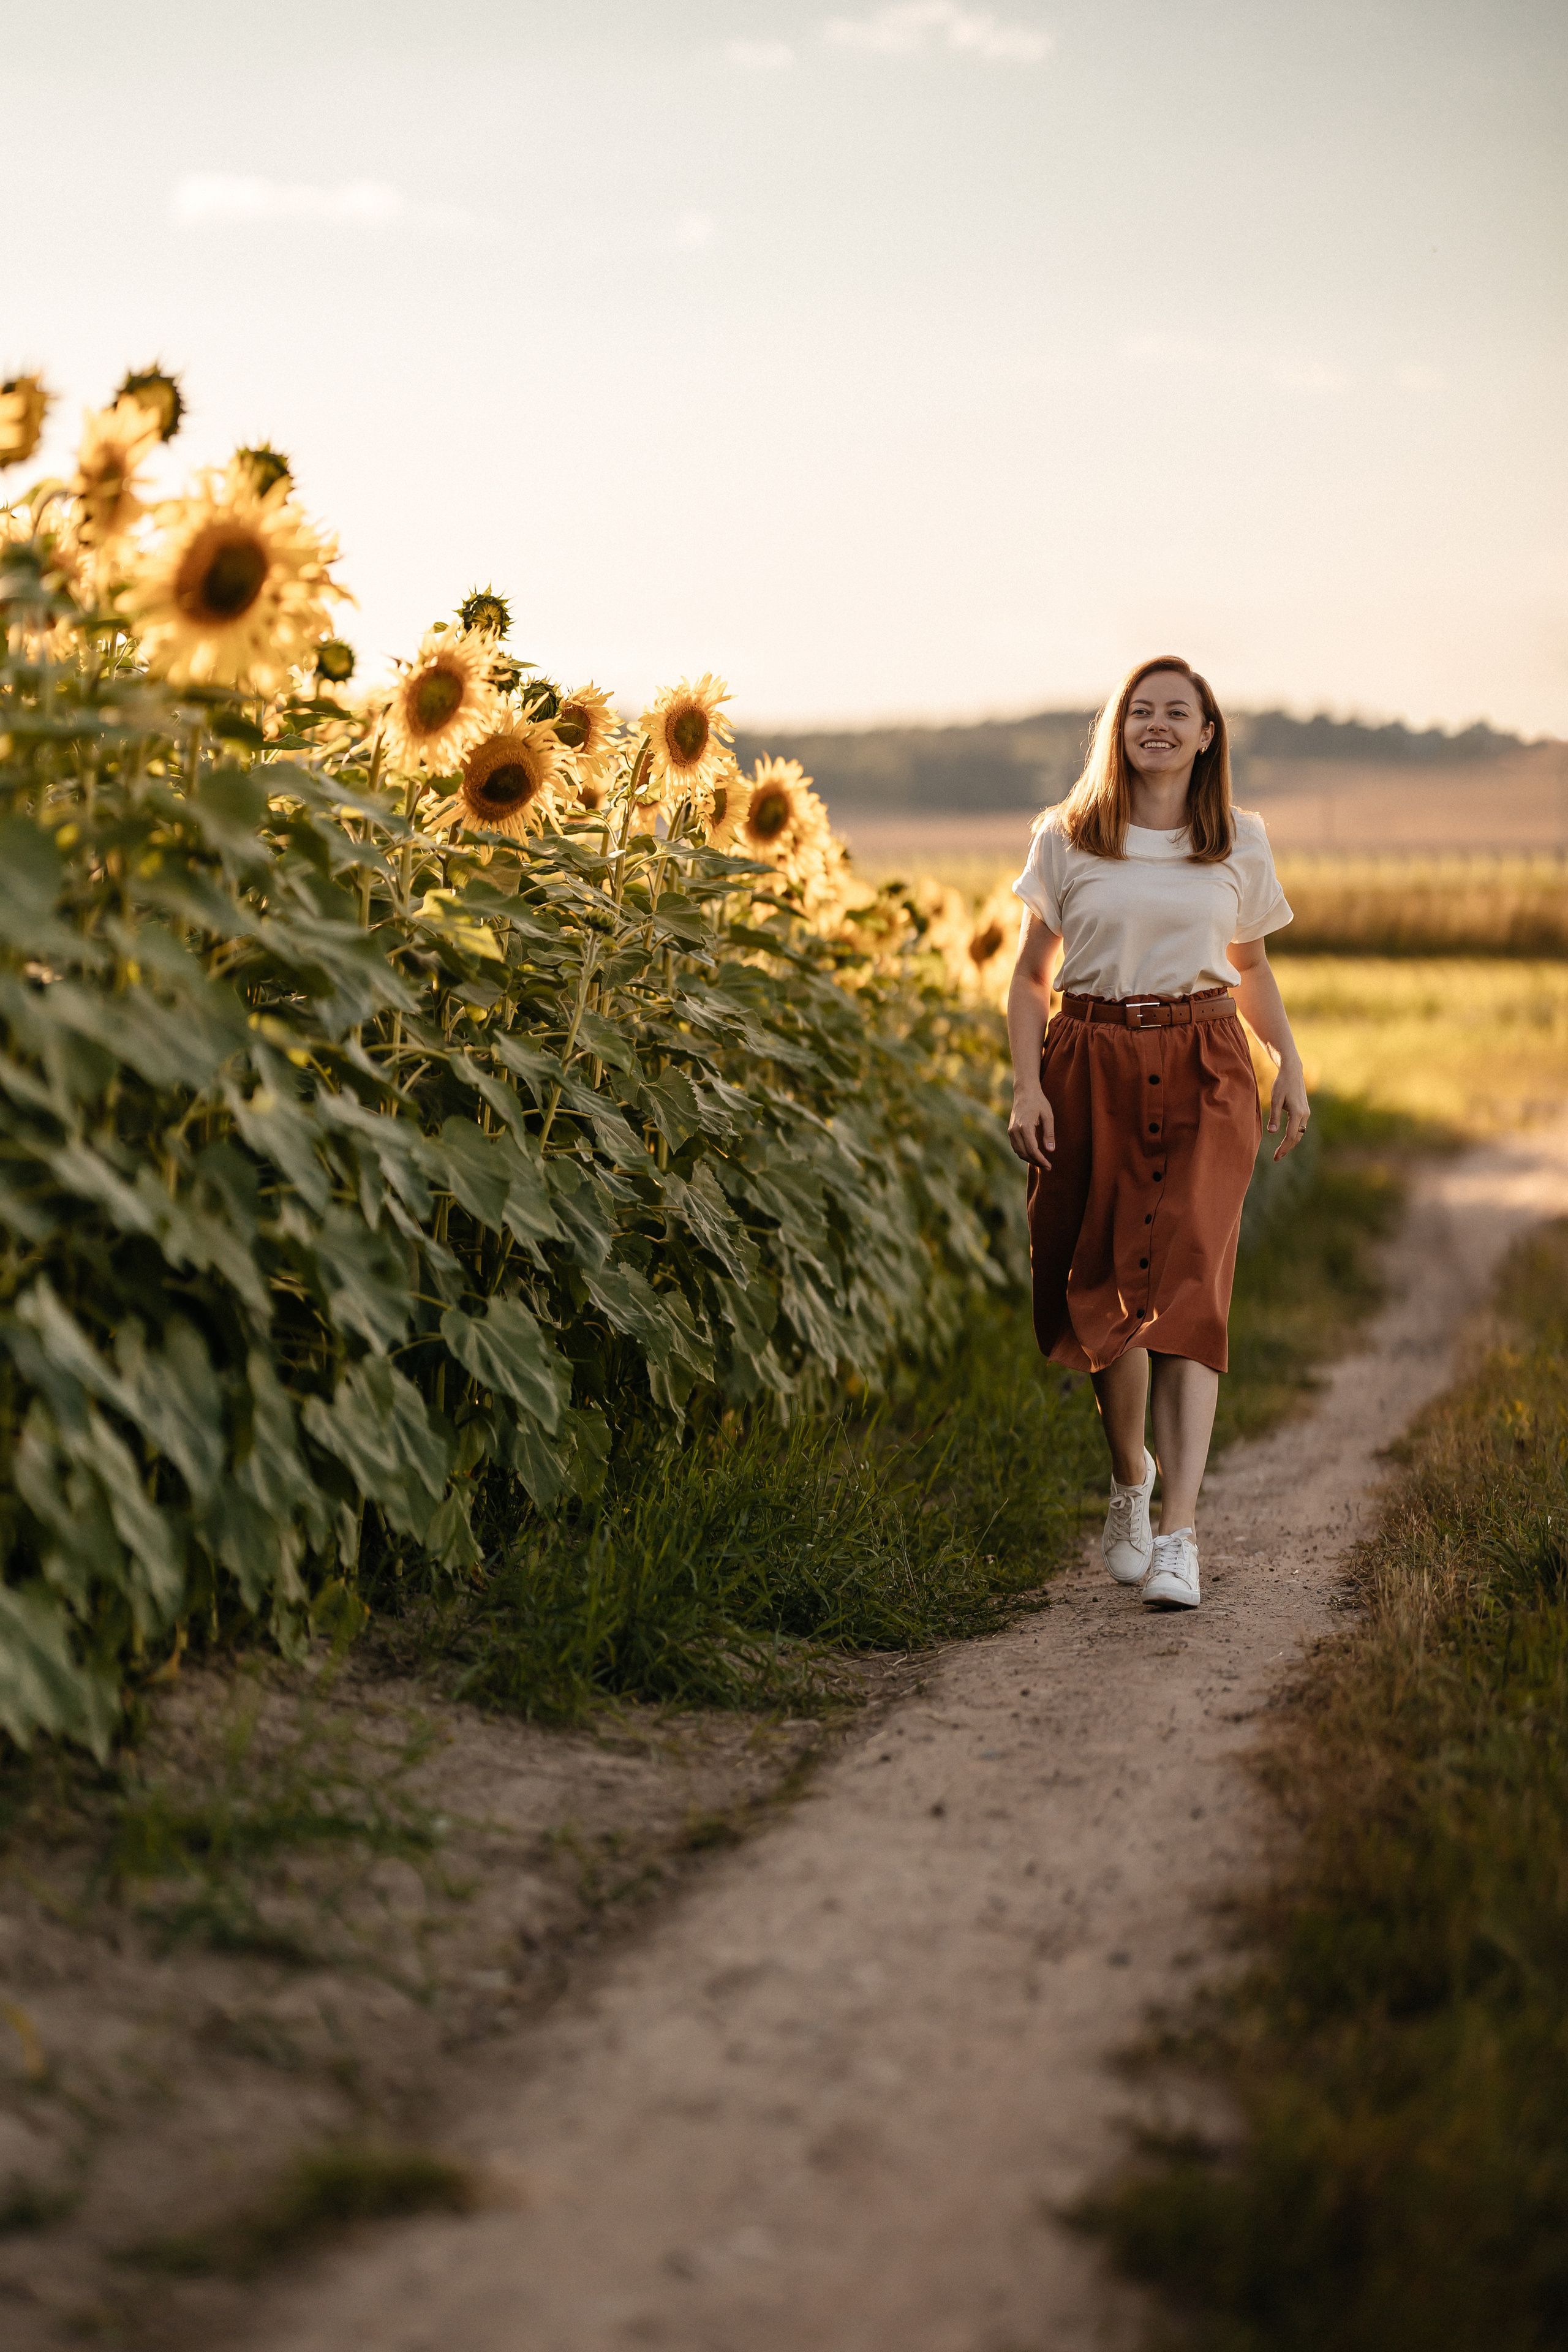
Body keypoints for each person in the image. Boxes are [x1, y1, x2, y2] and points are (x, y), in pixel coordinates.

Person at [1005, 655, 1309, 1610]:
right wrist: (1026, 1088)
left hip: (1208, 1064)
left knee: (1188, 1291)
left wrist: (1288, 1067)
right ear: (1117, 729)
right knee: (1099, 1286)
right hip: (1088, 1060)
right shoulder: (1067, 837)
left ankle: (1181, 1532)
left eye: (1179, 711)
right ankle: (1130, 1479)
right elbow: (1027, 978)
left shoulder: (1240, 842)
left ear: (1208, 733)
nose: (1159, 725)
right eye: (1141, 711)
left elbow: (1250, 970)